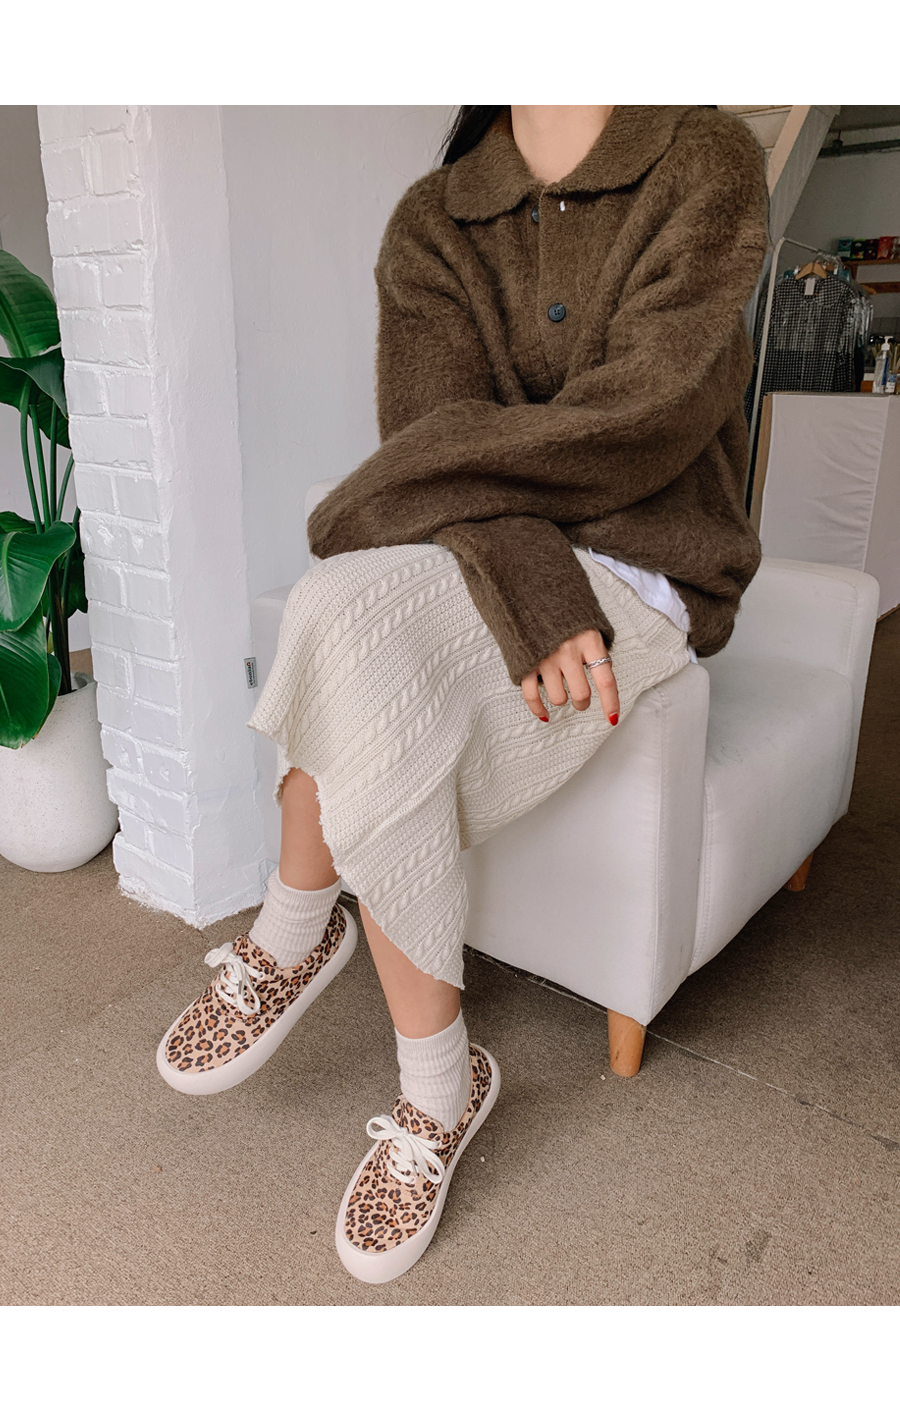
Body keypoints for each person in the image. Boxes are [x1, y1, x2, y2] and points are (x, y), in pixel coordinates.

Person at [156, 105, 770, 1285]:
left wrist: (442, 497)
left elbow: (647, 417)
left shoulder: (704, 158)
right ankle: (430, 1070)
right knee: (343, 608)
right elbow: (433, 433)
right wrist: (527, 571)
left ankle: (320, 958)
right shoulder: (437, 217)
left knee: (351, 627)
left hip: (651, 564)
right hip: (497, 552)